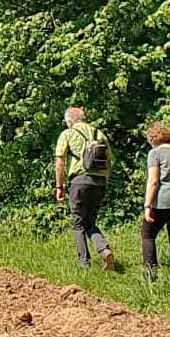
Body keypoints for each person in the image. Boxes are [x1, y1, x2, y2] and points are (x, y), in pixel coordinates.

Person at [54, 106, 118, 271]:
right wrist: (105, 180)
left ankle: (83, 262)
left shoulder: (67, 134)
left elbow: (60, 161)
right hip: (99, 182)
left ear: (69, 121)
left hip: (79, 182)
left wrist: (59, 186)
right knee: (90, 221)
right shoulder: (99, 134)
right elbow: (109, 162)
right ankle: (104, 250)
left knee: (78, 223)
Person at [140, 122, 170, 279]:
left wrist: (148, 205)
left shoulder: (155, 153)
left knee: (148, 235)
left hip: (160, 202)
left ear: (152, 139)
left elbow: (153, 180)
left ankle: (150, 273)